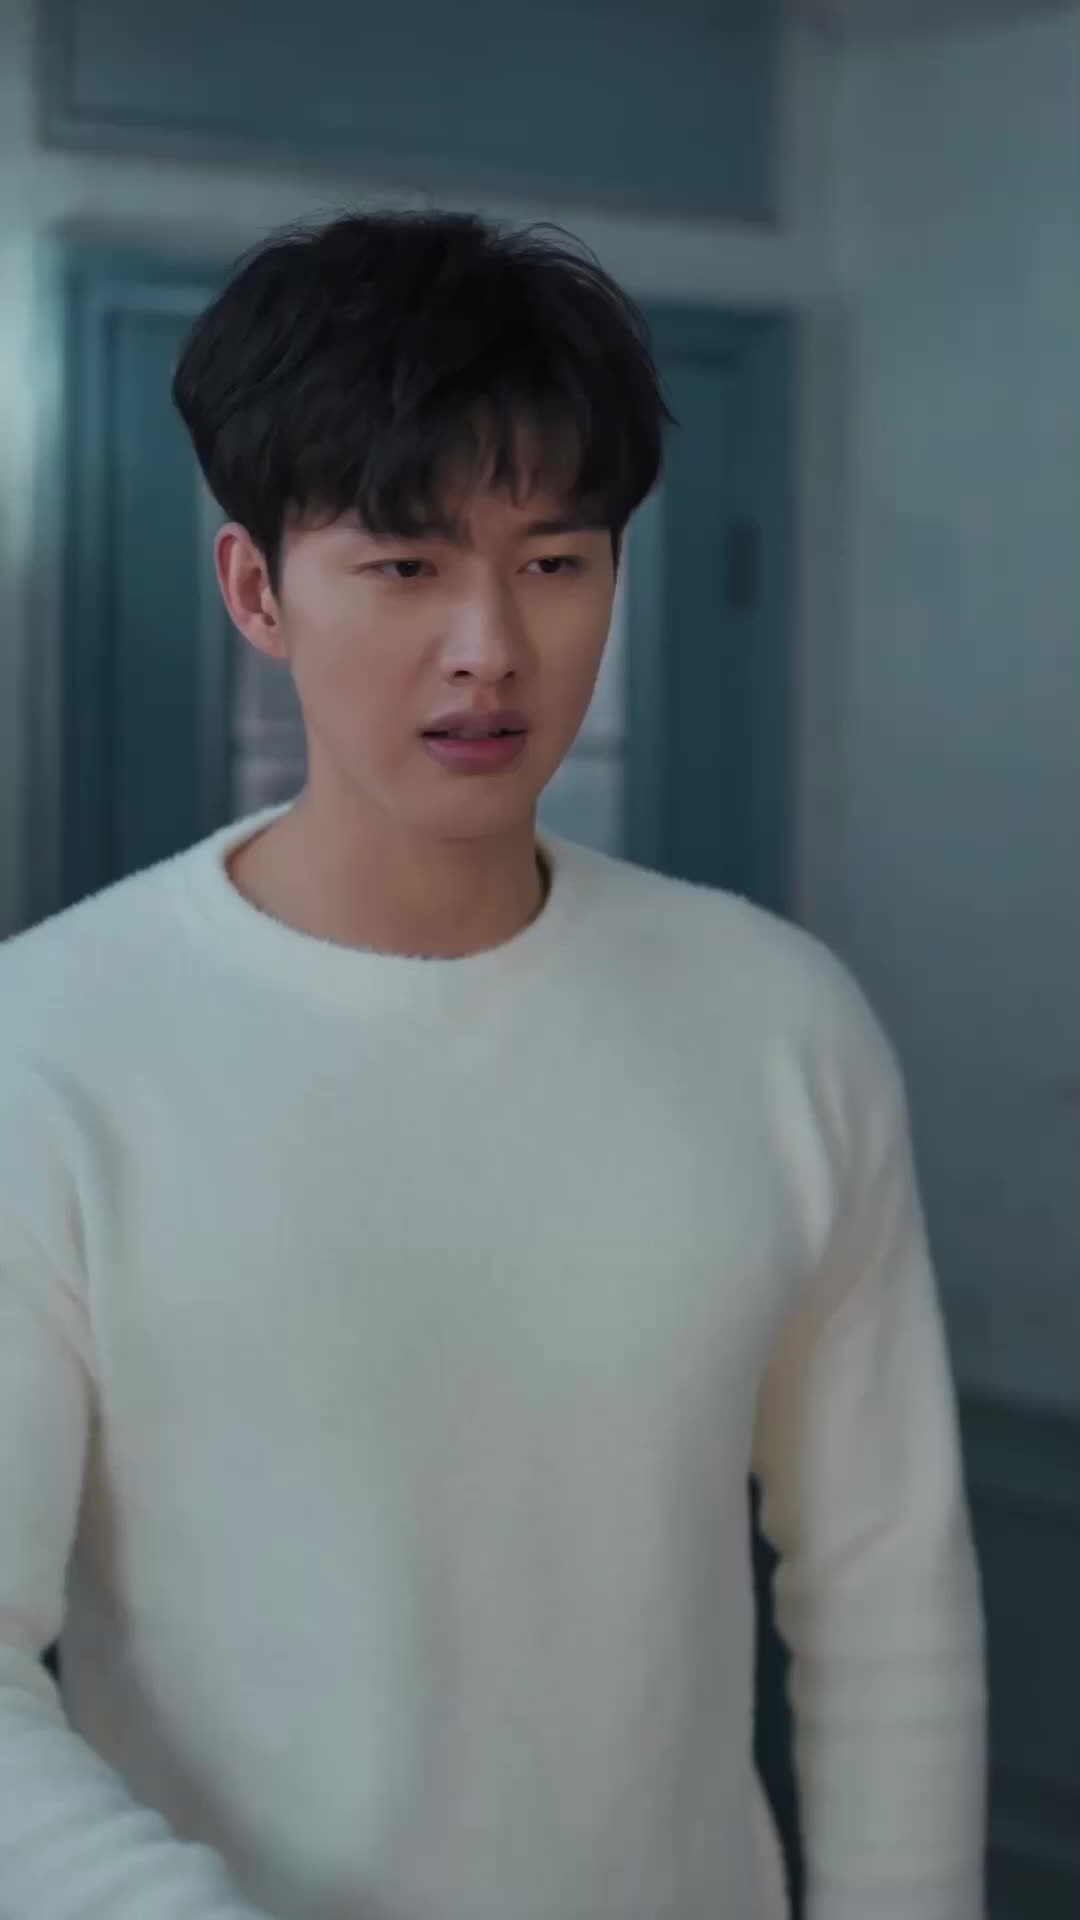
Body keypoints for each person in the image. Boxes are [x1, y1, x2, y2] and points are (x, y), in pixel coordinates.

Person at [0, 210, 985, 1920]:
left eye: (554, 562)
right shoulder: (53, 1046)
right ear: (256, 589)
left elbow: (882, 1585)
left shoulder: (778, 1023)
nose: (490, 648)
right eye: (405, 566)